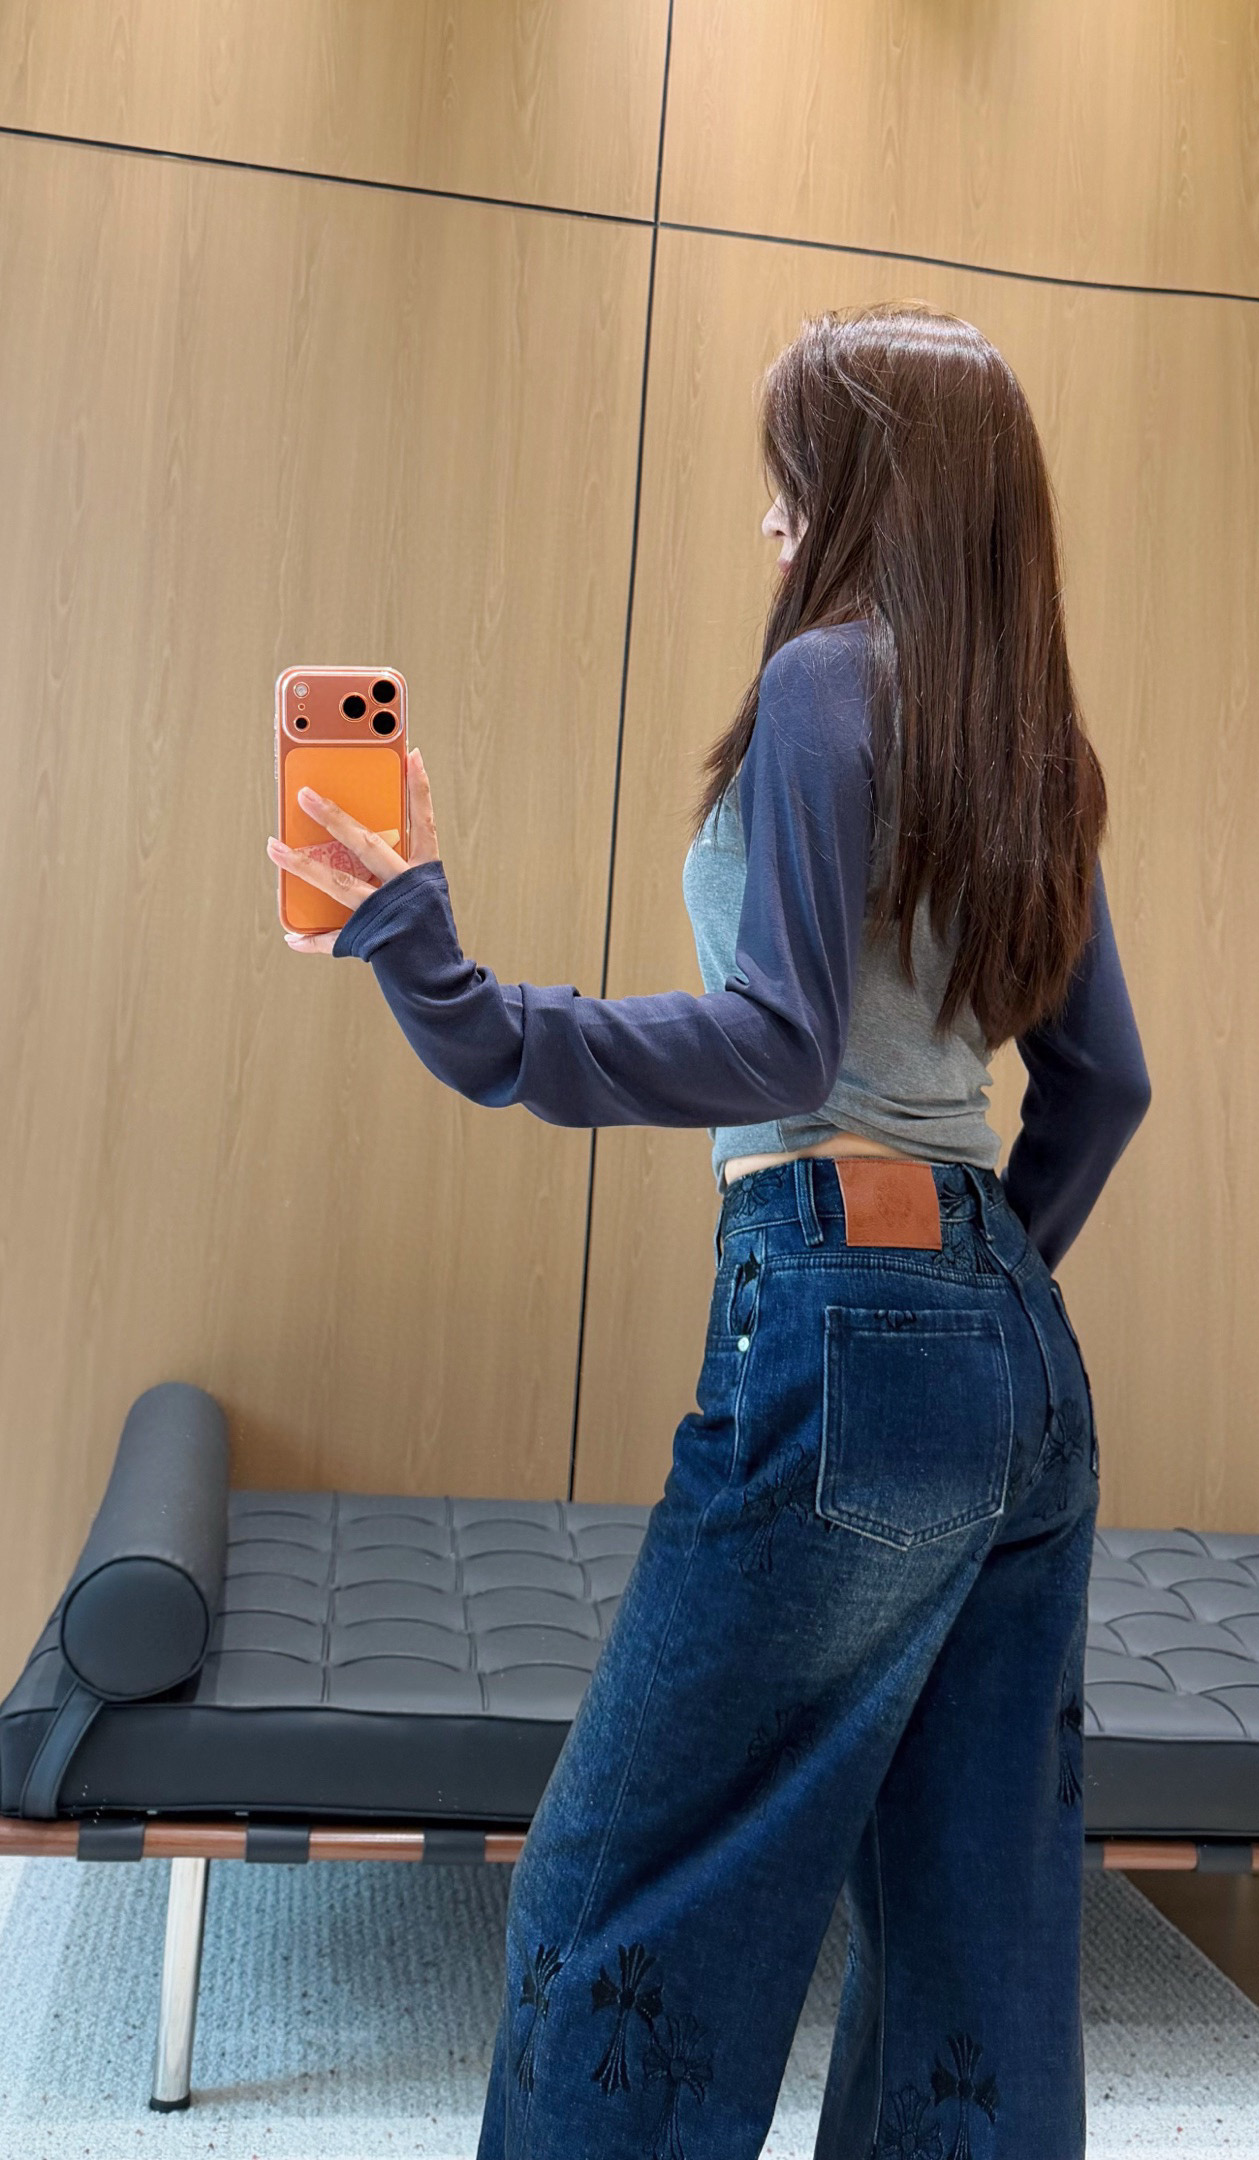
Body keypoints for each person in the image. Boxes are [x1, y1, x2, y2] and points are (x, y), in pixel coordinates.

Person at [267, 301, 1151, 2160]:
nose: (771, 515)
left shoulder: (830, 681)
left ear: (874, 483)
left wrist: (460, 993)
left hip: (853, 1309)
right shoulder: (1040, 750)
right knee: (975, 1930)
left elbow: (780, 1042)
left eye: (792, 474)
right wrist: (967, 1295)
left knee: (623, 1892)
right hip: (1021, 1364)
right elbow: (1104, 1088)